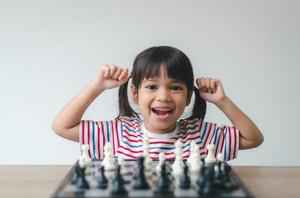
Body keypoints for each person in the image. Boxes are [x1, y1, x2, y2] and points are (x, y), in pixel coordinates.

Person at [52, 46, 263, 160]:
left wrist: (222, 101)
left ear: (189, 96)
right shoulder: (118, 133)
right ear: (135, 93)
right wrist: (96, 86)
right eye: (152, 87)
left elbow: (253, 139)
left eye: (176, 87)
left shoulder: (200, 135)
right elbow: (62, 127)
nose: (163, 97)